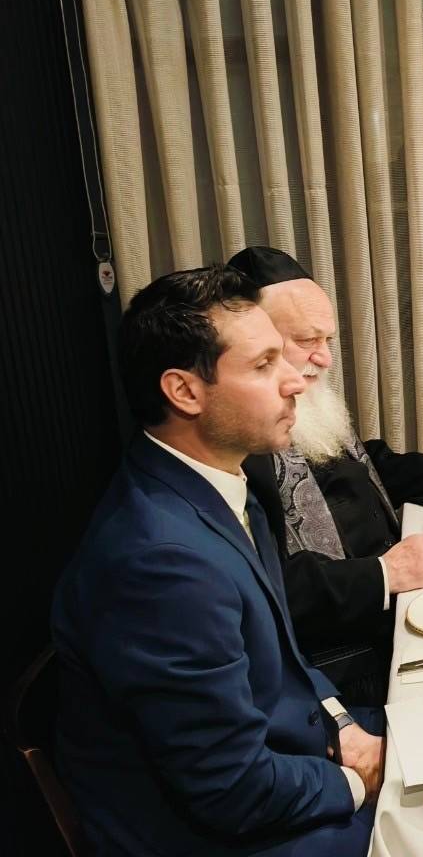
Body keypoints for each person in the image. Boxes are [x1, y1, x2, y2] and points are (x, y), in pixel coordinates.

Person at [52, 267, 383, 856]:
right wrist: (357, 783)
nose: (295, 382)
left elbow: (286, 662)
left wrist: (341, 722)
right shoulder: (160, 563)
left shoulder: (222, 484)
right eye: (264, 365)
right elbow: (232, 790)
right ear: (184, 392)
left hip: (283, 752)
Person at [227, 246, 423, 702]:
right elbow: (264, 583)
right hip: (347, 657)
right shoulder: (239, 439)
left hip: (403, 594)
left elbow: (362, 463)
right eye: (307, 340)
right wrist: (385, 573)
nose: (325, 358)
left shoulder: (299, 399)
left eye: (328, 340)